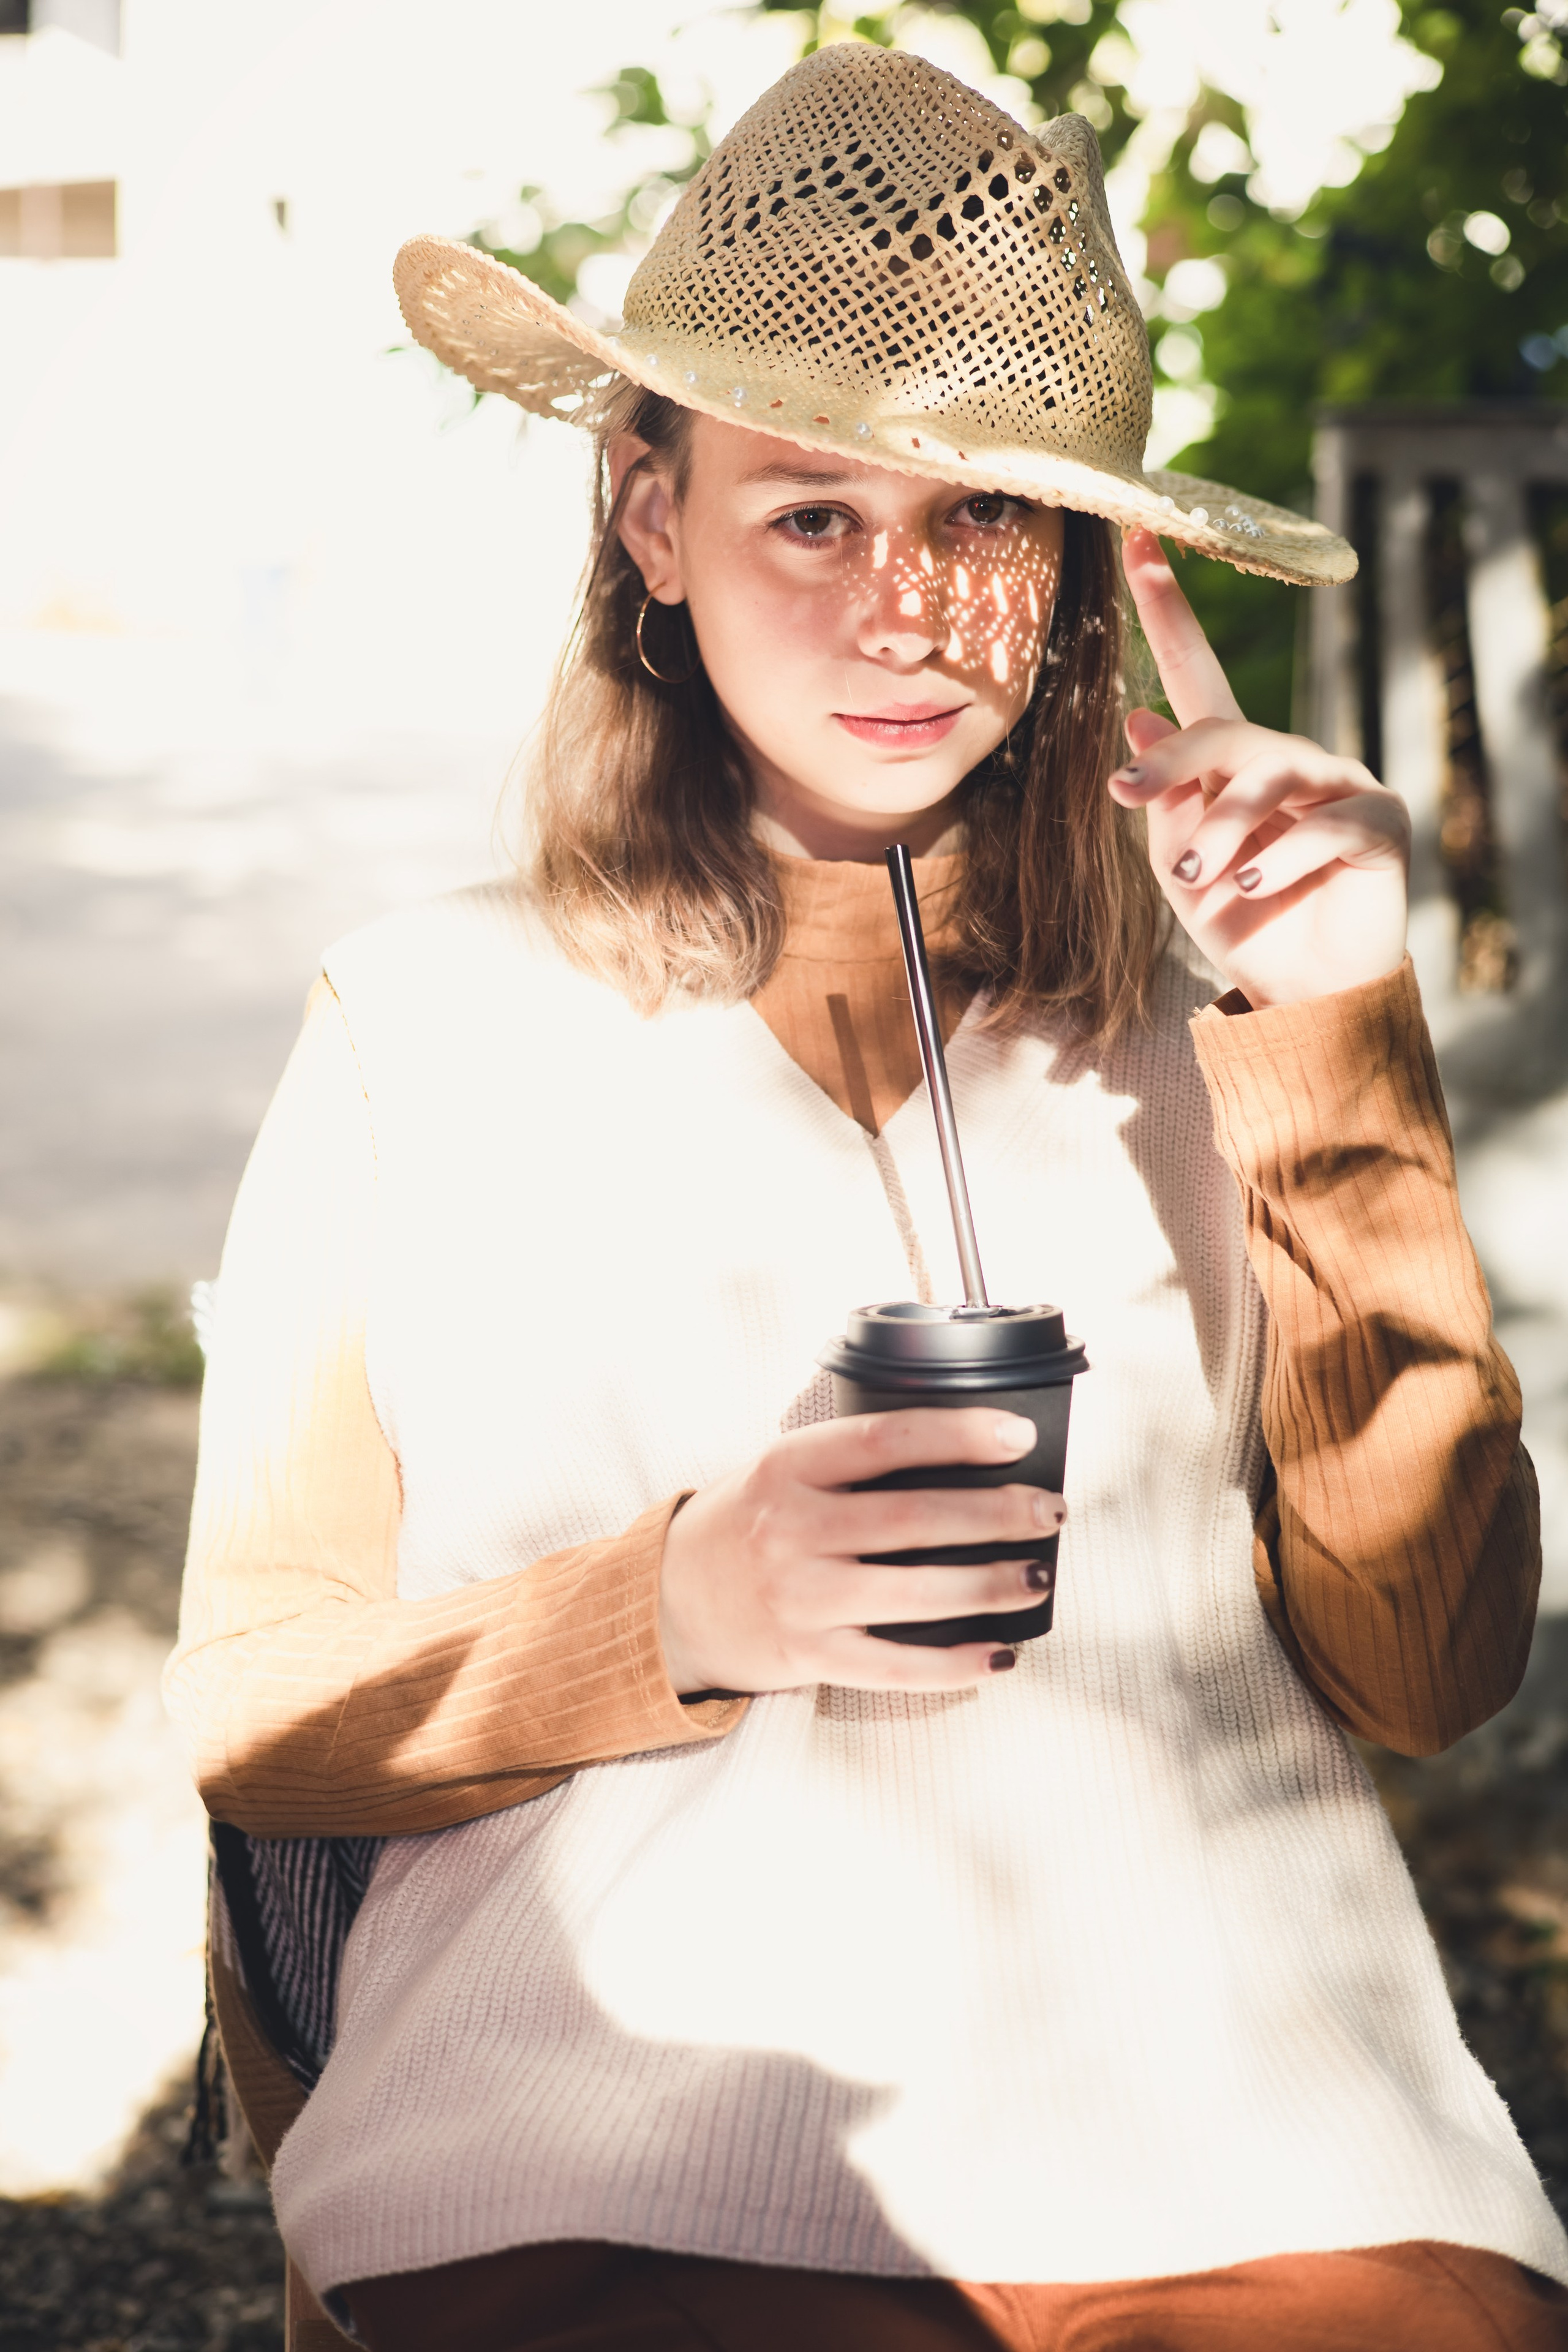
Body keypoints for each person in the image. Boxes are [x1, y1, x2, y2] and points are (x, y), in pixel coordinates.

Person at [167, 40, 1568, 2352]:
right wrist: (688, 1603)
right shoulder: (421, 1023)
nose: (908, 611)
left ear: (1085, 568)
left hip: (1231, 2127)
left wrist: (1337, 1021)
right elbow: (261, 1713)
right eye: (811, 512)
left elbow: (1434, 1672)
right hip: (619, 2119)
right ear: (652, 523)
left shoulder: (1217, 1024)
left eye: (983, 518)